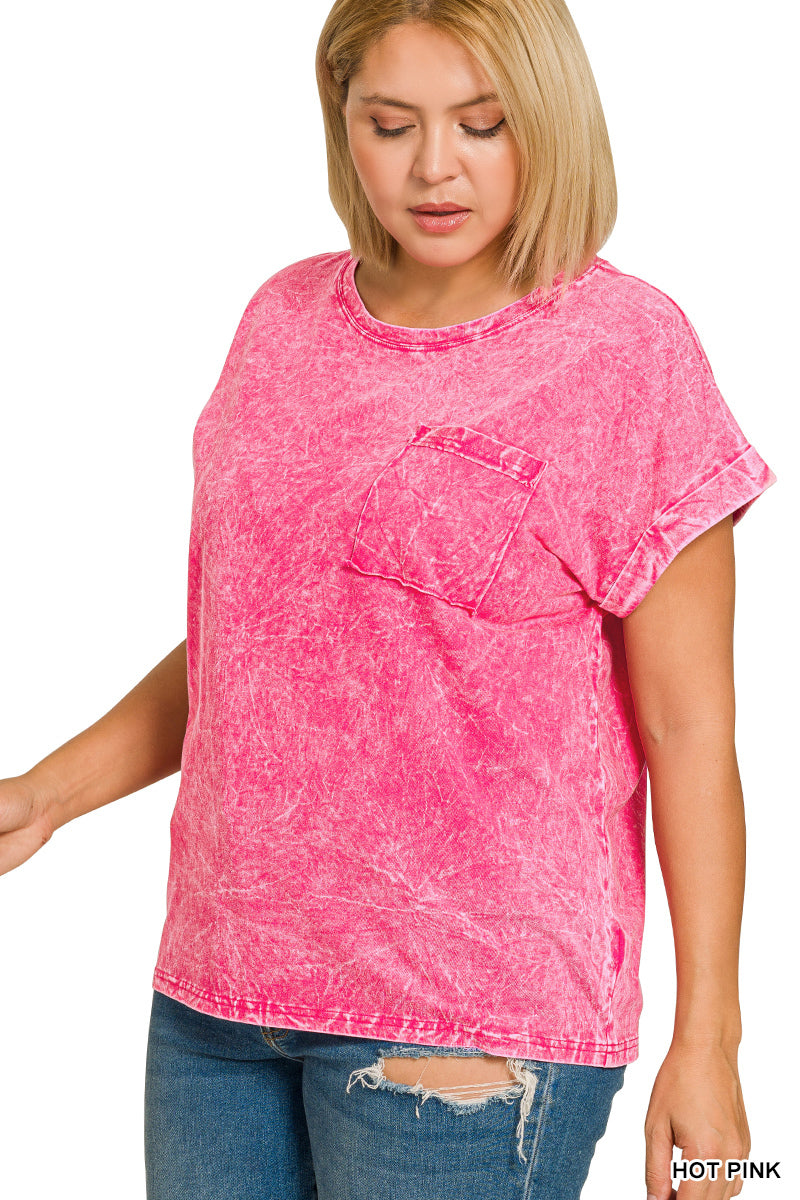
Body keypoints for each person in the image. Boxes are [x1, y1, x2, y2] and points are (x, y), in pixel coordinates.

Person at [0, 1, 777, 1197]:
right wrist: (44, 796)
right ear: (342, 122)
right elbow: (252, 640)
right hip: (218, 1003)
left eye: (480, 124)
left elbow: (687, 732)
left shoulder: (624, 353)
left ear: (548, 121)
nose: (432, 168)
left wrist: (709, 1042)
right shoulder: (280, 320)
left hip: (470, 1025)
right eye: (390, 123)